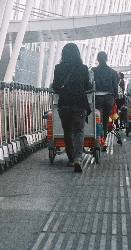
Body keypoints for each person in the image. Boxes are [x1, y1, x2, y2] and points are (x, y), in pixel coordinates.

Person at [52, 43, 92, 172]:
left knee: (67, 131)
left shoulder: (58, 68)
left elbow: (56, 87)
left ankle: (70, 158)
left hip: (64, 104)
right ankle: (78, 158)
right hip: (80, 103)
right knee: (79, 131)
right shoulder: (83, 68)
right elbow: (88, 86)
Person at [91, 51, 118, 151]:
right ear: (107, 59)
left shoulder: (94, 70)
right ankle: (104, 140)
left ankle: (99, 139)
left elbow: (90, 84)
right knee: (106, 119)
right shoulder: (112, 71)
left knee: (98, 119)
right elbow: (115, 86)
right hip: (109, 97)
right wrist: (114, 96)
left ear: (97, 59)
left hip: (97, 97)